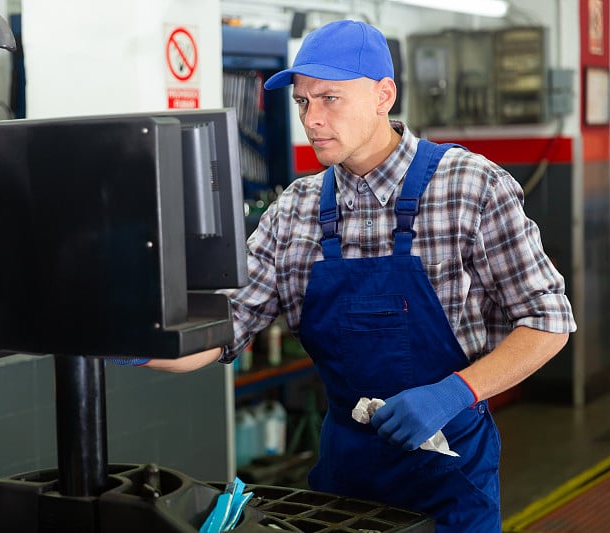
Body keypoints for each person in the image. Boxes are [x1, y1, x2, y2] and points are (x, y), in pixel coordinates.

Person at [126, 19, 576, 532]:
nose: (312, 119)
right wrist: (128, 340)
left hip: (450, 482)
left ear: (384, 95)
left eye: (330, 99)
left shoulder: (471, 187)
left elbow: (548, 322)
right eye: (303, 103)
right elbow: (224, 325)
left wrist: (454, 393)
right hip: (345, 487)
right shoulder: (294, 209)